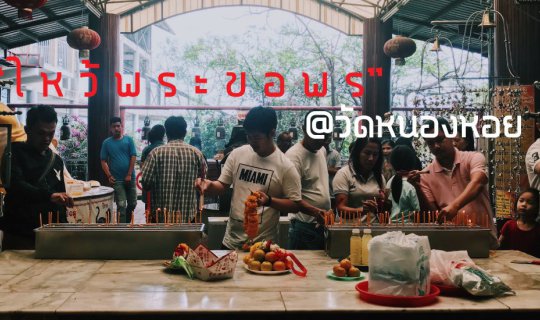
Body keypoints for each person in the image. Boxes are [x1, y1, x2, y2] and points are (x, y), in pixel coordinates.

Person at [195, 106, 301, 249]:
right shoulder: (237, 154)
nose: (252, 141)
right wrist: (208, 184)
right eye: (248, 136)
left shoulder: (286, 166)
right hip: (230, 242)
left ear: (272, 133)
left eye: (257, 137)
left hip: (263, 246)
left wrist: (269, 201)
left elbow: (295, 205)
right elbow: (222, 186)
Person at [412, 117, 497, 244]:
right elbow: (434, 214)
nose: (436, 146)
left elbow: (478, 181)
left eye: (440, 140)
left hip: (483, 239)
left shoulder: (473, 158)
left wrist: (454, 206)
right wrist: (417, 187)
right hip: (451, 242)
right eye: (430, 143)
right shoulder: (426, 175)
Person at [0, 105, 74, 249]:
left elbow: (60, 197)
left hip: (51, 234)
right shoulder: (13, 153)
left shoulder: (56, 160)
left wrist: (64, 225)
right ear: (27, 130)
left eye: (51, 133)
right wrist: (50, 195)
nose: (47, 139)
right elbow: (16, 185)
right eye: (41, 133)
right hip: (20, 234)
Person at [141, 116, 206, 222]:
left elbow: (146, 182)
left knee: (161, 239)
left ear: (167, 133)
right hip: (188, 217)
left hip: (161, 218)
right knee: (186, 240)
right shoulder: (197, 154)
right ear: (185, 133)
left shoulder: (156, 153)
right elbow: (203, 183)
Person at [285, 111, 332, 249]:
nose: (321, 140)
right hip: (303, 228)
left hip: (321, 225)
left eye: (325, 135)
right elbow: (291, 198)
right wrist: (316, 212)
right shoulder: (294, 157)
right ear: (305, 128)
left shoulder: (321, 150)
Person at [333, 137, 386, 221]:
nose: (371, 158)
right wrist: (362, 210)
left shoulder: (379, 177)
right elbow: (341, 209)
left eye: (375, 154)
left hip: (373, 228)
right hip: (349, 230)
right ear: (358, 153)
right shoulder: (344, 174)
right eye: (367, 153)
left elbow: (382, 209)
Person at [100, 117, 137, 223]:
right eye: (114, 126)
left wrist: (129, 174)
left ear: (122, 127)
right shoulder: (107, 143)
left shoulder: (128, 140)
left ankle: (127, 223)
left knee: (133, 203)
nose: (116, 128)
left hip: (131, 177)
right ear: (110, 128)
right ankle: (122, 229)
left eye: (118, 126)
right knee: (121, 205)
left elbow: (133, 156)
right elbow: (103, 161)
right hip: (117, 180)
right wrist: (109, 176)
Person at [498, 188, 540, 257]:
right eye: (521, 201)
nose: (524, 204)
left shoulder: (538, 230)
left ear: (537, 207)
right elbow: (498, 245)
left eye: (530, 202)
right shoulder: (509, 225)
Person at [387, 145, 420, 222]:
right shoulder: (411, 185)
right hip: (408, 227)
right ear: (412, 162)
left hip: (390, 225)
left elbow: (388, 205)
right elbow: (417, 210)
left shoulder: (389, 182)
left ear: (392, 163)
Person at [140, 124, 165, 207]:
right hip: (163, 187)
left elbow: (142, 168)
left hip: (149, 188)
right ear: (163, 135)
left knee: (149, 212)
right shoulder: (166, 148)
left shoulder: (147, 149)